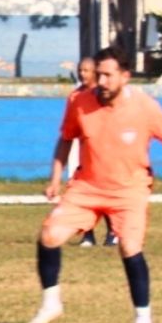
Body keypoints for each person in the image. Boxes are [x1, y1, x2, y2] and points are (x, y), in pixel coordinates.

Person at [23, 46, 162, 323]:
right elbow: (66, 139)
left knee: (130, 247)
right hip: (87, 187)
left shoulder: (145, 107)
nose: (100, 81)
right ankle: (51, 303)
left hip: (129, 190)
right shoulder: (79, 101)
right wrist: (55, 177)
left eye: (107, 75)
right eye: (98, 74)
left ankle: (143, 321)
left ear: (125, 76)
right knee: (49, 235)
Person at [69, 56, 118, 248]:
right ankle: (87, 235)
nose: (82, 74)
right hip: (84, 154)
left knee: (105, 196)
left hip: (105, 155)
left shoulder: (103, 96)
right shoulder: (75, 97)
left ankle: (113, 232)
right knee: (83, 196)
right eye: (80, 70)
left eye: (86, 71)